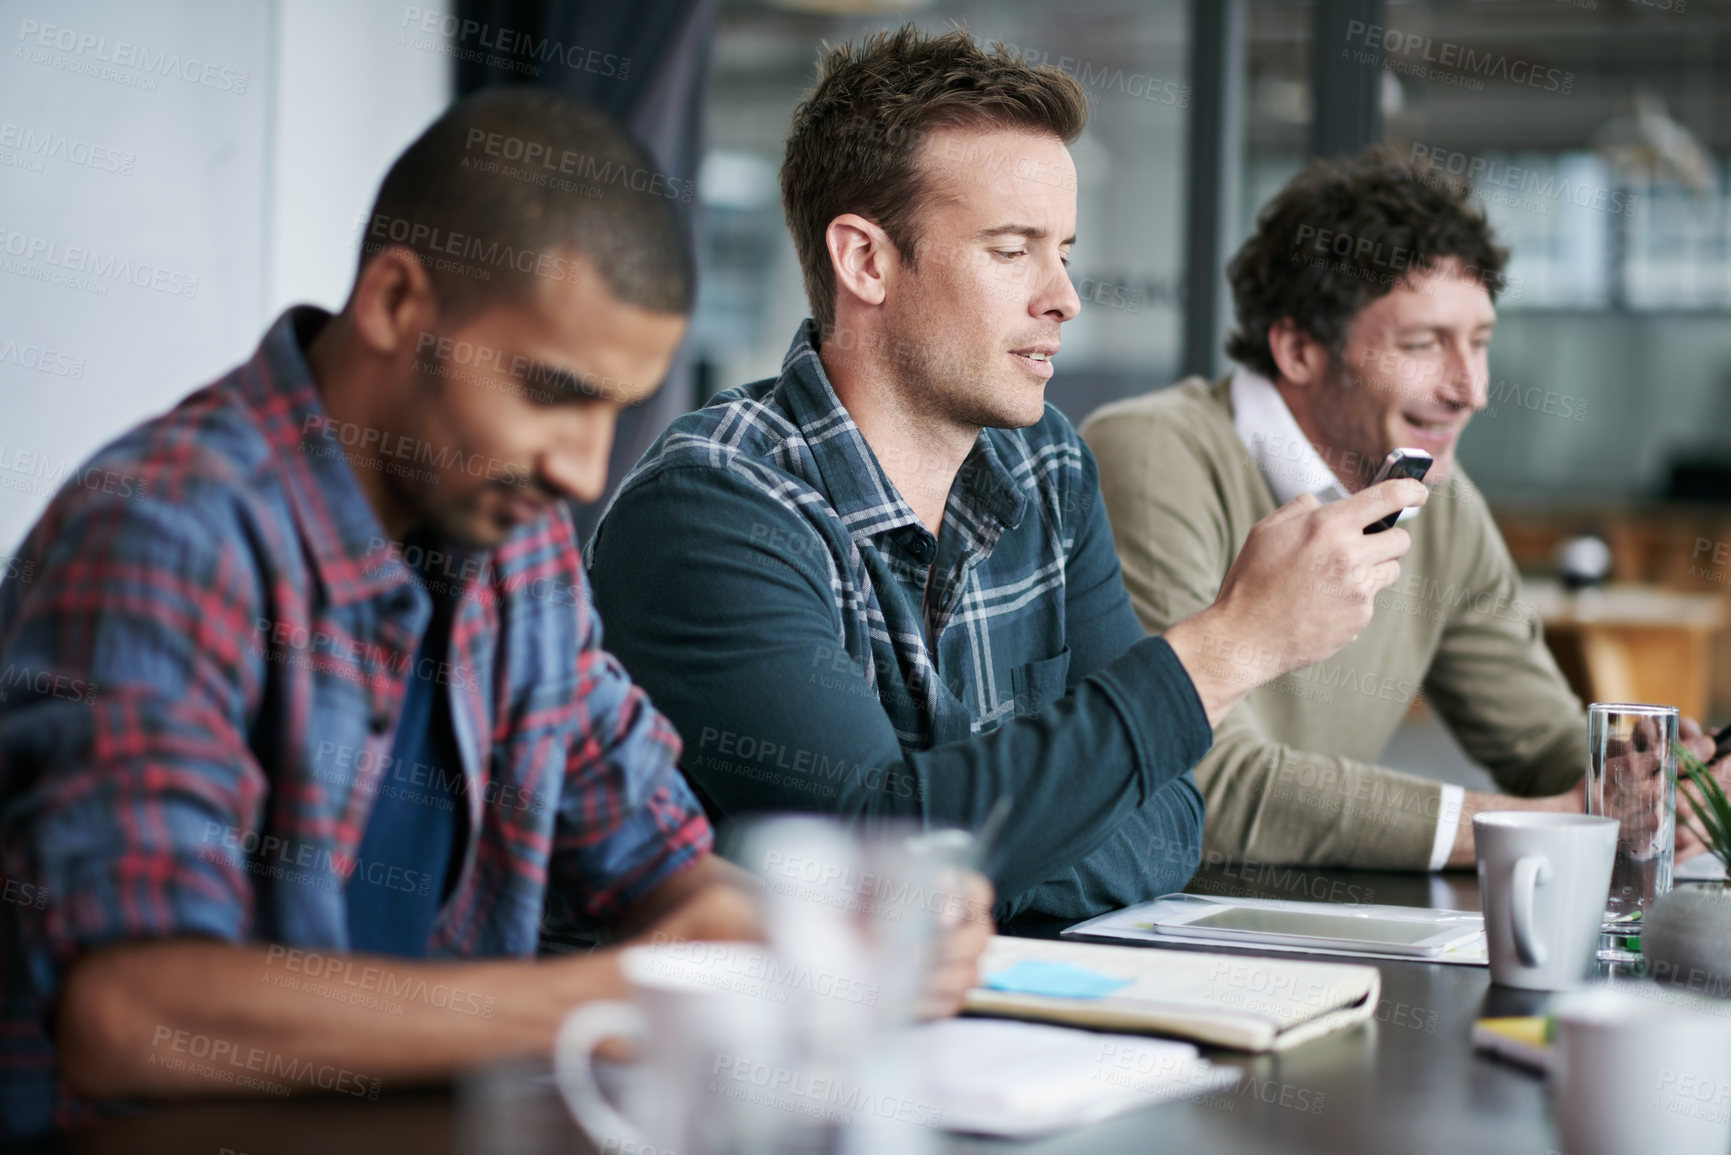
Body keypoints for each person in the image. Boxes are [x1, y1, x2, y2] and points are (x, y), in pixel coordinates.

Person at [0, 89, 988, 1137]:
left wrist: (805, 943)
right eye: (552, 391)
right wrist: (612, 998)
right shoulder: (169, 532)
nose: (583, 467)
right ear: (393, 305)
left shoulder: (516, 553)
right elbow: (135, 1013)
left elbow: (665, 869)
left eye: (617, 409)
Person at [586, 27, 1427, 923]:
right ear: (865, 260)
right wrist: (1231, 646)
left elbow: (1174, 819)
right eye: (1011, 248)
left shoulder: (1048, 465)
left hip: (1007, 1025)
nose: (1062, 295)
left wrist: (970, 837)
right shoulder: (714, 504)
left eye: (1061, 248)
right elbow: (875, 862)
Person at [1081, 144, 1726, 871]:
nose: (1471, 388)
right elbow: (1195, 783)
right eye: (1425, 344)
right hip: (1146, 929)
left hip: (1294, 925)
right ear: (1297, 349)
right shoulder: (1152, 453)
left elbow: (1542, 745)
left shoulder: (1438, 501)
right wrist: (1545, 821)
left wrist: (1646, 784)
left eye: (1479, 342)